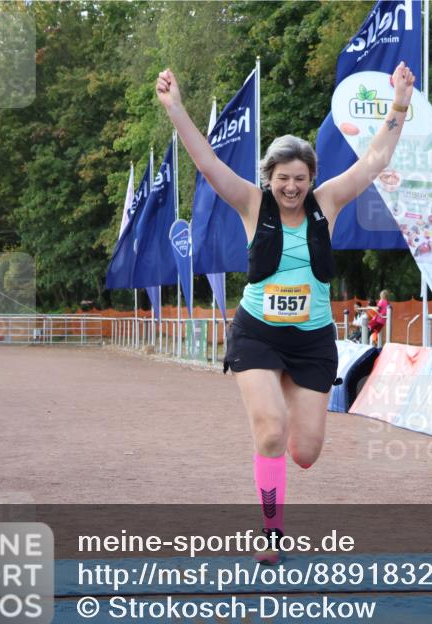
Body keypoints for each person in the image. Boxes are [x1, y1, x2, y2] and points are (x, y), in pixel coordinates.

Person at [156, 62, 415, 564]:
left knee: (305, 452)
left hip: (313, 340)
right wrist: (176, 110)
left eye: (299, 178)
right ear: (269, 178)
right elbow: (208, 163)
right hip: (258, 335)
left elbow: (377, 158)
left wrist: (399, 102)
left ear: (312, 178)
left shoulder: (330, 201)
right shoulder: (252, 204)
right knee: (270, 428)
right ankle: (271, 530)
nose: (291, 187)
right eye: (282, 179)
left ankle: (284, 450)